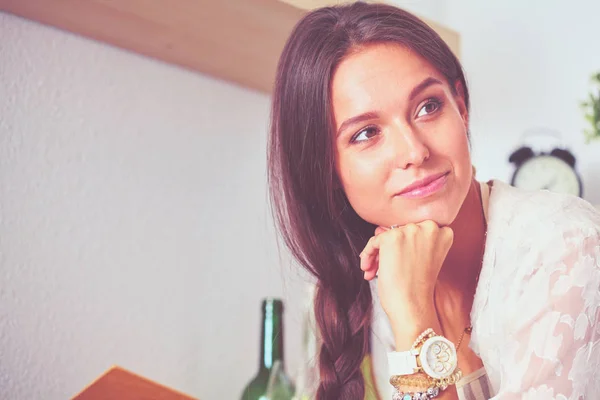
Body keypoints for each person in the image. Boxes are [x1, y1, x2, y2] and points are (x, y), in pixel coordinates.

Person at [267, 2, 600, 399]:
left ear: (461, 106)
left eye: (428, 107)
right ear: (326, 169)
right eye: (366, 133)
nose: (414, 151)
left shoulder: (563, 244)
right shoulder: (376, 278)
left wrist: (414, 319)